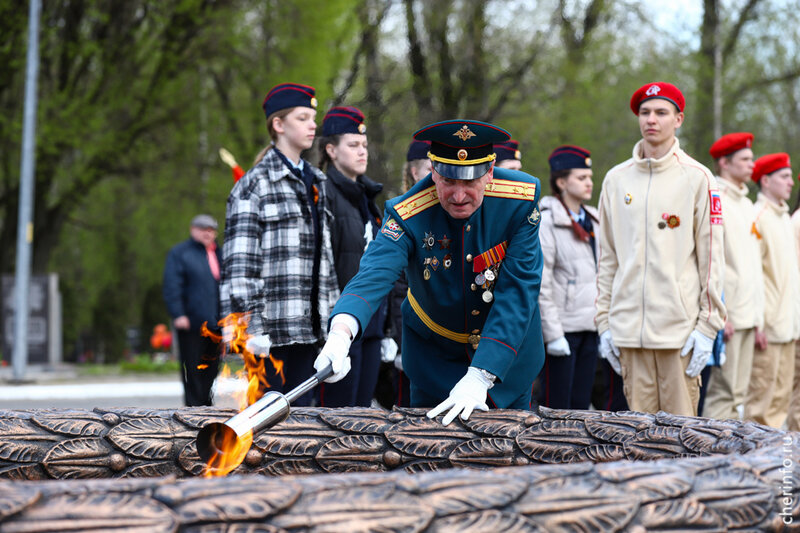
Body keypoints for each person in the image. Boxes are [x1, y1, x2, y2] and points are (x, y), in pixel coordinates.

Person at [311, 119, 545, 425]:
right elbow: (374, 273)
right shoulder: (407, 212)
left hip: (508, 361)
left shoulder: (520, 202)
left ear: (489, 172)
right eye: (449, 180)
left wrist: (481, 375)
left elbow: (517, 294)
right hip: (435, 361)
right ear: (433, 170)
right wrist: (341, 334)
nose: (459, 196)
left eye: (470, 182)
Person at [595, 81, 725, 417]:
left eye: (661, 112)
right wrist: (604, 323)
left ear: (678, 119)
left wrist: (707, 326)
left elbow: (712, 260)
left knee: (681, 440)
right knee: (638, 441)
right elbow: (607, 258)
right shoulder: (615, 179)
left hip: (678, 334)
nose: (651, 119)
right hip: (629, 334)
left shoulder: (698, 178)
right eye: (645, 112)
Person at [219, 83, 339, 406]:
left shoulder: (317, 182)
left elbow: (324, 263)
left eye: (313, 117)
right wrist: (250, 331)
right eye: (303, 117)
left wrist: (333, 328)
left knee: (304, 433)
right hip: (269, 339)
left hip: (310, 332)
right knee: (268, 437)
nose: (313, 125)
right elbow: (240, 269)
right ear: (278, 124)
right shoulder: (253, 185)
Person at [316, 105, 388, 407]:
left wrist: (388, 330)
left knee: (363, 417)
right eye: (353, 145)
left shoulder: (367, 199)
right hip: (339, 325)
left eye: (365, 146)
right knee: (336, 417)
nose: (362, 152)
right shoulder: (324, 194)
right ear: (331, 150)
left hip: (371, 325)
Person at [702, 133, 764, 420]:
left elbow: (751, 265)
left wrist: (758, 317)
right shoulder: (719, 200)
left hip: (748, 312)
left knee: (739, 393)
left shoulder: (745, 203)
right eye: (745, 159)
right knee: (723, 392)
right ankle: (712, 456)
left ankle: (733, 459)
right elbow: (713, 260)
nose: (752, 165)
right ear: (725, 163)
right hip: (730, 313)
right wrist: (721, 311)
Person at [537, 145, 599, 409]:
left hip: (591, 327)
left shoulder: (594, 219)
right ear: (561, 182)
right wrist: (552, 335)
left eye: (590, 177)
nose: (589, 183)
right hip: (563, 330)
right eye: (581, 178)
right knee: (556, 408)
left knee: (581, 406)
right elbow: (542, 282)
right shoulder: (547, 220)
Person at [744, 153, 800, 428]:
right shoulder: (759, 217)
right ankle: (758, 466)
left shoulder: (782, 218)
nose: (791, 182)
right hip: (768, 328)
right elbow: (755, 276)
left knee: (780, 403)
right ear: (765, 180)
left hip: (788, 327)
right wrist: (759, 323)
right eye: (784, 176)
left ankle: (780, 467)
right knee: (760, 406)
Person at [381, 139, 433, 408]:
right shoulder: (400, 216)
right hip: (409, 336)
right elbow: (397, 288)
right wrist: (400, 343)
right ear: (415, 173)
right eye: (429, 169)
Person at [162, 214, 223, 406]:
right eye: (203, 229)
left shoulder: (220, 253)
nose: (208, 233)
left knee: (212, 368)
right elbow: (172, 285)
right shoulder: (180, 254)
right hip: (192, 323)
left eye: (211, 229)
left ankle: (206, 405)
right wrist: (178, 314)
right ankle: (193, 407)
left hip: (216, 324)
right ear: (193, 230)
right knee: (193, 369)